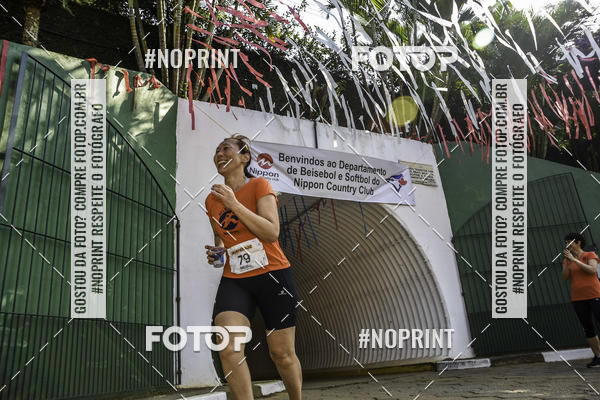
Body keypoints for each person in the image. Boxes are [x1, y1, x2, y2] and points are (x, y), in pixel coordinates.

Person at [204, 134, 302, 399]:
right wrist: (217, 253)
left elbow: (271, 232)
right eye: (217, 151)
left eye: (226, 148)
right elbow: (222, 239)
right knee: (228, 347)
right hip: (236, 279)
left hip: (273, 276)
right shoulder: (212, 200)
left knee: (281, 354)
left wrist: (234, 204)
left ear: (244, 157)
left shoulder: (259, 185)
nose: (219, 154)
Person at [562, 232, 600, 368]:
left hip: (595, 295)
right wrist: (569, 262)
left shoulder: (589, 255)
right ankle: (598, 356)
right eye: (566, 243)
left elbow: (592, 270)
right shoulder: (567, 260)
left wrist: (575, 260)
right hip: (578, 298)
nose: (567, 245)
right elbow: (565, 277)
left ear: (578, 242)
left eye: (570, 242)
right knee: (588, 328)